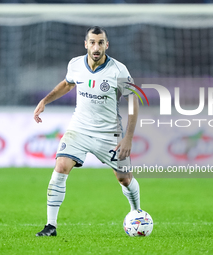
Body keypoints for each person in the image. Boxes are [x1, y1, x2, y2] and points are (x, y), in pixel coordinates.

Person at [33, 26, 140, 237]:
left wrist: (128, 138)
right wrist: (45, 101)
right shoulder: (75, 64)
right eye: (92, 42)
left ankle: (137, 212)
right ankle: (50, 226)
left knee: (124, 179)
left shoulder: (118, 70)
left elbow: (134, 102)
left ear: (107, 45)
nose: (96, 47)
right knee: (61, 166)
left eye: (100, 42)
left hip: (109, 134)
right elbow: (67, 84)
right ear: (86, 44)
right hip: (79, 130)